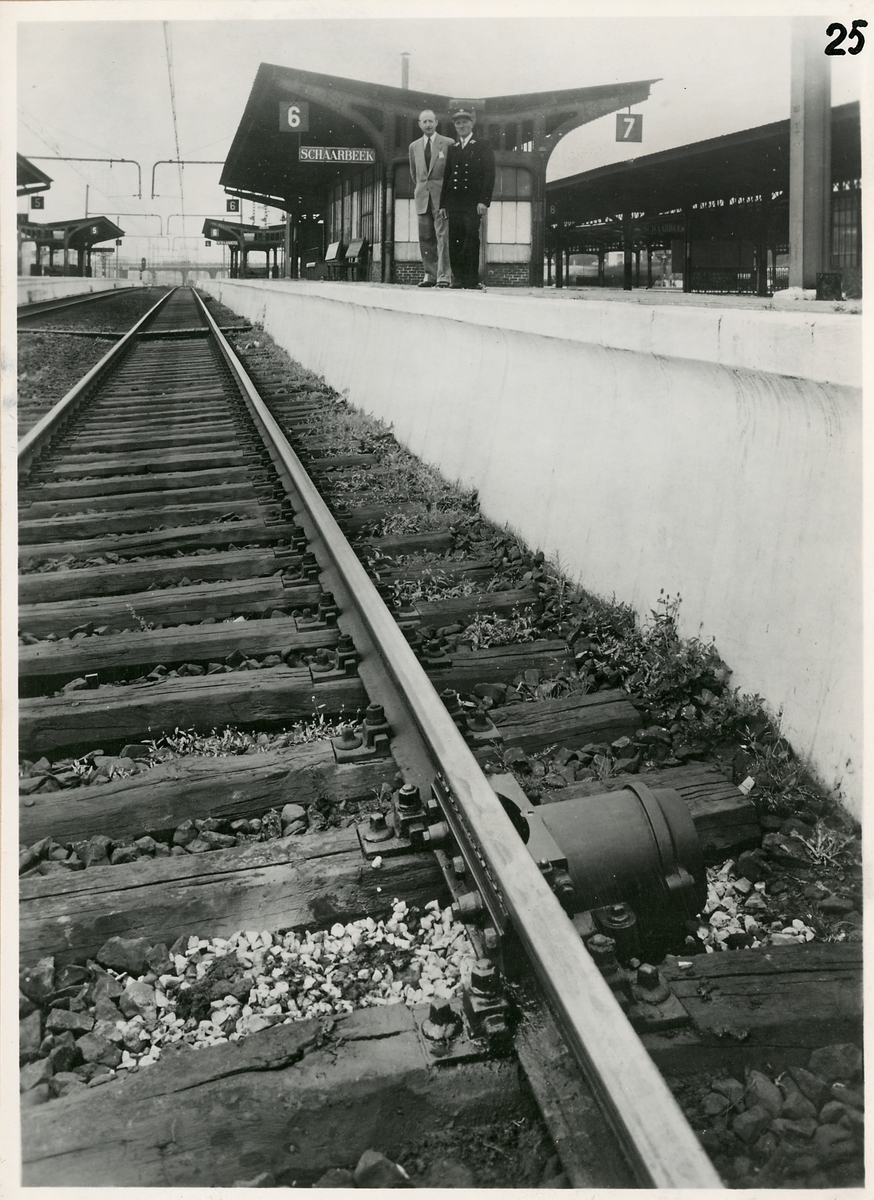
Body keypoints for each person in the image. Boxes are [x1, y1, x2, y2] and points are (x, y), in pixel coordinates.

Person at [438, 104, 496, 290]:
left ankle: (471, 280)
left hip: (472, 202)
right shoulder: (453, 148)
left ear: (472, 124)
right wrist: (443, 204)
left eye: (464, 122)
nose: (461, 126)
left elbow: (489, 174)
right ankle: (458, 279)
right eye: (457, 124)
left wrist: (484, 201)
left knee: (471, 240)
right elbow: (447, 177)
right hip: (454, 202)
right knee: (455, 240)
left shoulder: (482, 145)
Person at [408, 109, 454, 288]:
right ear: (419, 124)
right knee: (425, 237)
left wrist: (445, 195)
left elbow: (450, 173)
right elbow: (415, 174)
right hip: (422, 197)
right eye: (424, 122)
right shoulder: (414, 147)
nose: (427, 125)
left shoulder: (448, 144)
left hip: (441, 198)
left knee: (443, 237)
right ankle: (430, 275)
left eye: (430, 121)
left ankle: (444, 276)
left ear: (436, 123)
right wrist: (423, 189)